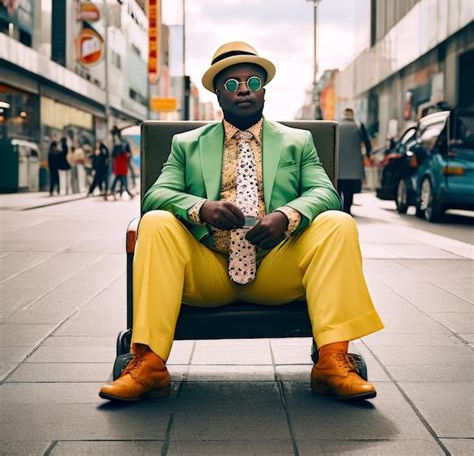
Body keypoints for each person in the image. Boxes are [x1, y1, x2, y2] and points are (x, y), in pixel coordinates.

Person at [99, 41, 384, 403]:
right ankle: (149, 364)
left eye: (252, 81)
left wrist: (286, 216)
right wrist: (201, 208)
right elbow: (154, 196)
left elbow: (325, 193)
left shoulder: (298, 142)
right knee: (155, 220)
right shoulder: (186, 145)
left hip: (277, 268)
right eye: (232, 84)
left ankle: (331, 361)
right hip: (208, 270)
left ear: (264, 89)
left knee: (337, 222)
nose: (244, 88)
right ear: (218, 94)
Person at [337, 108, 372, 214]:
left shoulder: (336, 124)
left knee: (337, 188)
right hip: (353, 162)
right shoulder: (358, 125)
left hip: (338, 162)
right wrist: (369, 154)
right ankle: (347, 210)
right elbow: (366, 142)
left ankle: (338, 209)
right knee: (349, 189)